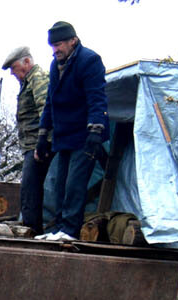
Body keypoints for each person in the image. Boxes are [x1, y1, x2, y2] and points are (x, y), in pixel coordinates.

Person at [34, 21, 107, 242]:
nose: (55, 50)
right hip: (63, 135)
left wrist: (96, 130)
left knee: (75, 183)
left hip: (84, 135)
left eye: (59, 44)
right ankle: (57, 228)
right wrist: (42, 136)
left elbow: (97, 97)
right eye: (53, 46)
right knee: (59, 184)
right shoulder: (55, 66)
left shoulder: (89, 60)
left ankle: (70, 230)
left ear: (72, 41)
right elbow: (50, 102)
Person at [2, 45, 52, 234]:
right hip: (31, 143)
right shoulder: (28, 82)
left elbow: (44, 108)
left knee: (30, 188)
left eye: (14, 68)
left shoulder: (37, 78)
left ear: (27, 62)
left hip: (37, 144)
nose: (13, 73)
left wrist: (43, 141)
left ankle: (31, 231)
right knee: (30, 188)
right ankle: (31, 227)